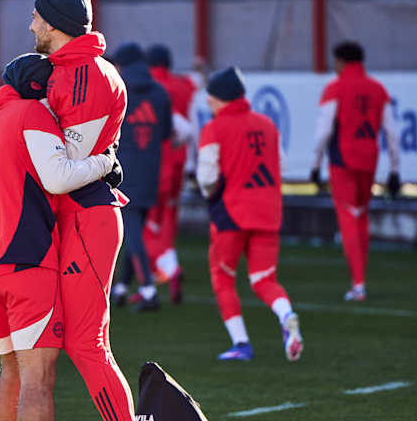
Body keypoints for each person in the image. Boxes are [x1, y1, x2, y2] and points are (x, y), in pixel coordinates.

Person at [0, 0, 163, 421]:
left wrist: (103, 164)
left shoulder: (84, 73)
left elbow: (59, 163)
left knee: (85, 345)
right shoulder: (69, 71)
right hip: (65, 222)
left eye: (36, 18)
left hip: (83, 215)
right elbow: (39, 142)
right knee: (46, 357)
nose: (30, 26)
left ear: (54, 23)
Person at [0, 53, 116, 421]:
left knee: (11, 372)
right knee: (38, 378)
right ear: (41, 90)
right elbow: (57, 178)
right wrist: (104, 162)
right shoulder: (33, 113)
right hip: (27, 262)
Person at [197, 67, 304, 362]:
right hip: (269, 212)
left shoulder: (214, 129)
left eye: (211, 97)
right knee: (264, 280)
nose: (208, 101)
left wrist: (211, 194)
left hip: (230, 212)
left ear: (221, 98)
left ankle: (241, 343)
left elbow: (206, 178)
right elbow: (281, 165)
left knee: (223, 277)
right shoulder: (267, 124)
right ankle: (287, 315)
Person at [310, 41, 402, 302]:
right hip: (369, 159)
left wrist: (315, 165)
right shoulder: (378, 89)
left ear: (341, 61)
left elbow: (324, 131)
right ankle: (359, 280)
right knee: (361, 216)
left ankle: (358, 284)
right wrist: (395, 169)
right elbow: (392, 132)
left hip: (342, 160)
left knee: (348, 217)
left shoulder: (335, 88)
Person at [108, 42, 172, 312]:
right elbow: (166, 132)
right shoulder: (160, 92)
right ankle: (122, 287)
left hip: (124, 169)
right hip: (151, 167)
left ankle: (148, 289)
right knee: (135, 229)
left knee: (132, 231)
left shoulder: (118, 89)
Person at [144, 43, 197, 304]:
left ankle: (166, 267)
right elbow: (196, 83)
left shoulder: (148, 88)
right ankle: (166, 261)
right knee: (169, 216)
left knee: (146, 222)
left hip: (153, 161)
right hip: (178, 160)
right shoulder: (183, 85)